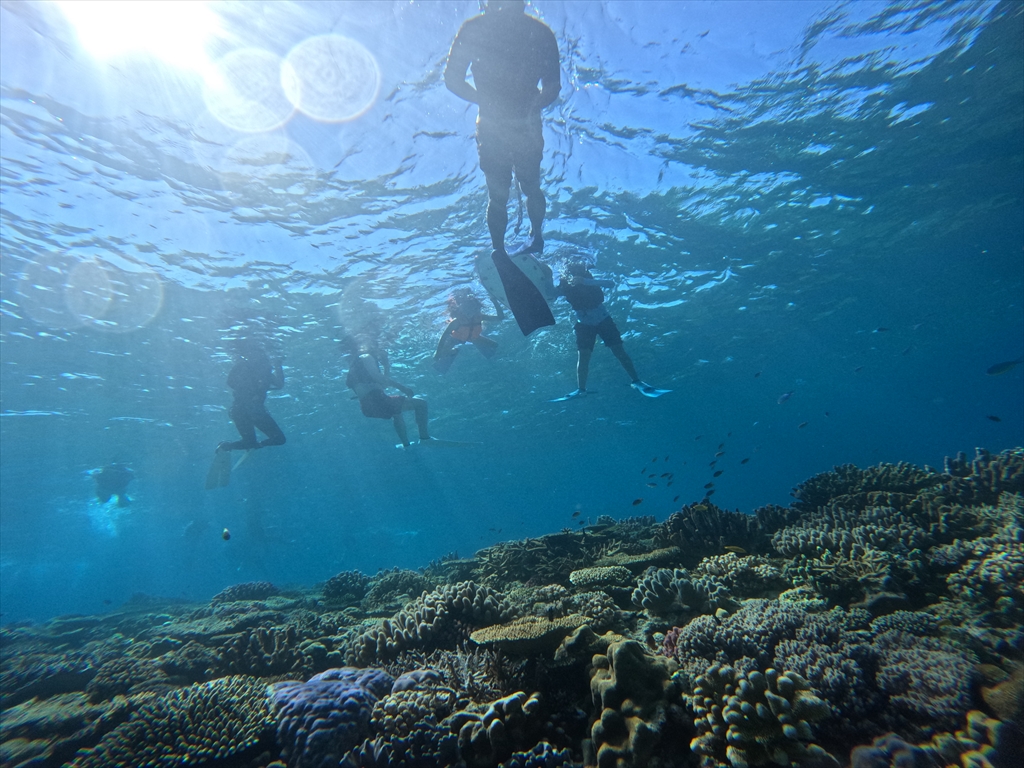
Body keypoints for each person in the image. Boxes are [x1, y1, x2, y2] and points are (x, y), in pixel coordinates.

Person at [445, 0, 560, 335]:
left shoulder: (480, 28)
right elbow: (452, 80)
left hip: (507, 122)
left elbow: (453, 80)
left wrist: (491, 102)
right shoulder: (536, 31)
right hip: (508, 123)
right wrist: (514, 106)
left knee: (512, 191)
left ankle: (527, 240)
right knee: (520, 189)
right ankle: (522, 242)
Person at [553, 259, 668, 399]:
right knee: (583, 356)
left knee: (618, 351)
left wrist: (585, 281)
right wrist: (547, 282)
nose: (575, 273)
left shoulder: (587, 278)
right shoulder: (565, 284)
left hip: (603, 319)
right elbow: (551, 295)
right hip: (583, 324)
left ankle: (636, 381)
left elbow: (610, 283)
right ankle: (581, 389)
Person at [344, 336, 431, 448]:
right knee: (421, 403)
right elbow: (379, 378)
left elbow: (383, 385)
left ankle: (406, 445)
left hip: (368, 406)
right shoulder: (366, 356)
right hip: (377, 401)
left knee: (396, 412)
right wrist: (403, 388)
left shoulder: (357, 365)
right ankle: (424, 438)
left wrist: (386, 365)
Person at [217, 340, 286, 452]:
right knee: (278, 439)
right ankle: (256, 444)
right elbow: (279, 384)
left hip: (239, 410)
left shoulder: (245, 367)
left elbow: (230, 382)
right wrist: (278, 366)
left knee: (249, 442)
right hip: (255, 412)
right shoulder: (263, 371)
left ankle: (226, 446)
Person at [433, 288, 500, 373]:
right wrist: (438, 353)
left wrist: (495, 301)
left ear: (476, 309)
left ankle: (492, 362)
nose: (470, 313)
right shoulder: (456, 322)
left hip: (474, 338)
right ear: (462, 310)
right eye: (467, 310)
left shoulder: (480, 316)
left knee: (495, 345)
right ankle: (453, 352)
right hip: (455, 338)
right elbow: (444, 337)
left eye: (472, 309)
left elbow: (500, 318)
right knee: (435, 357)